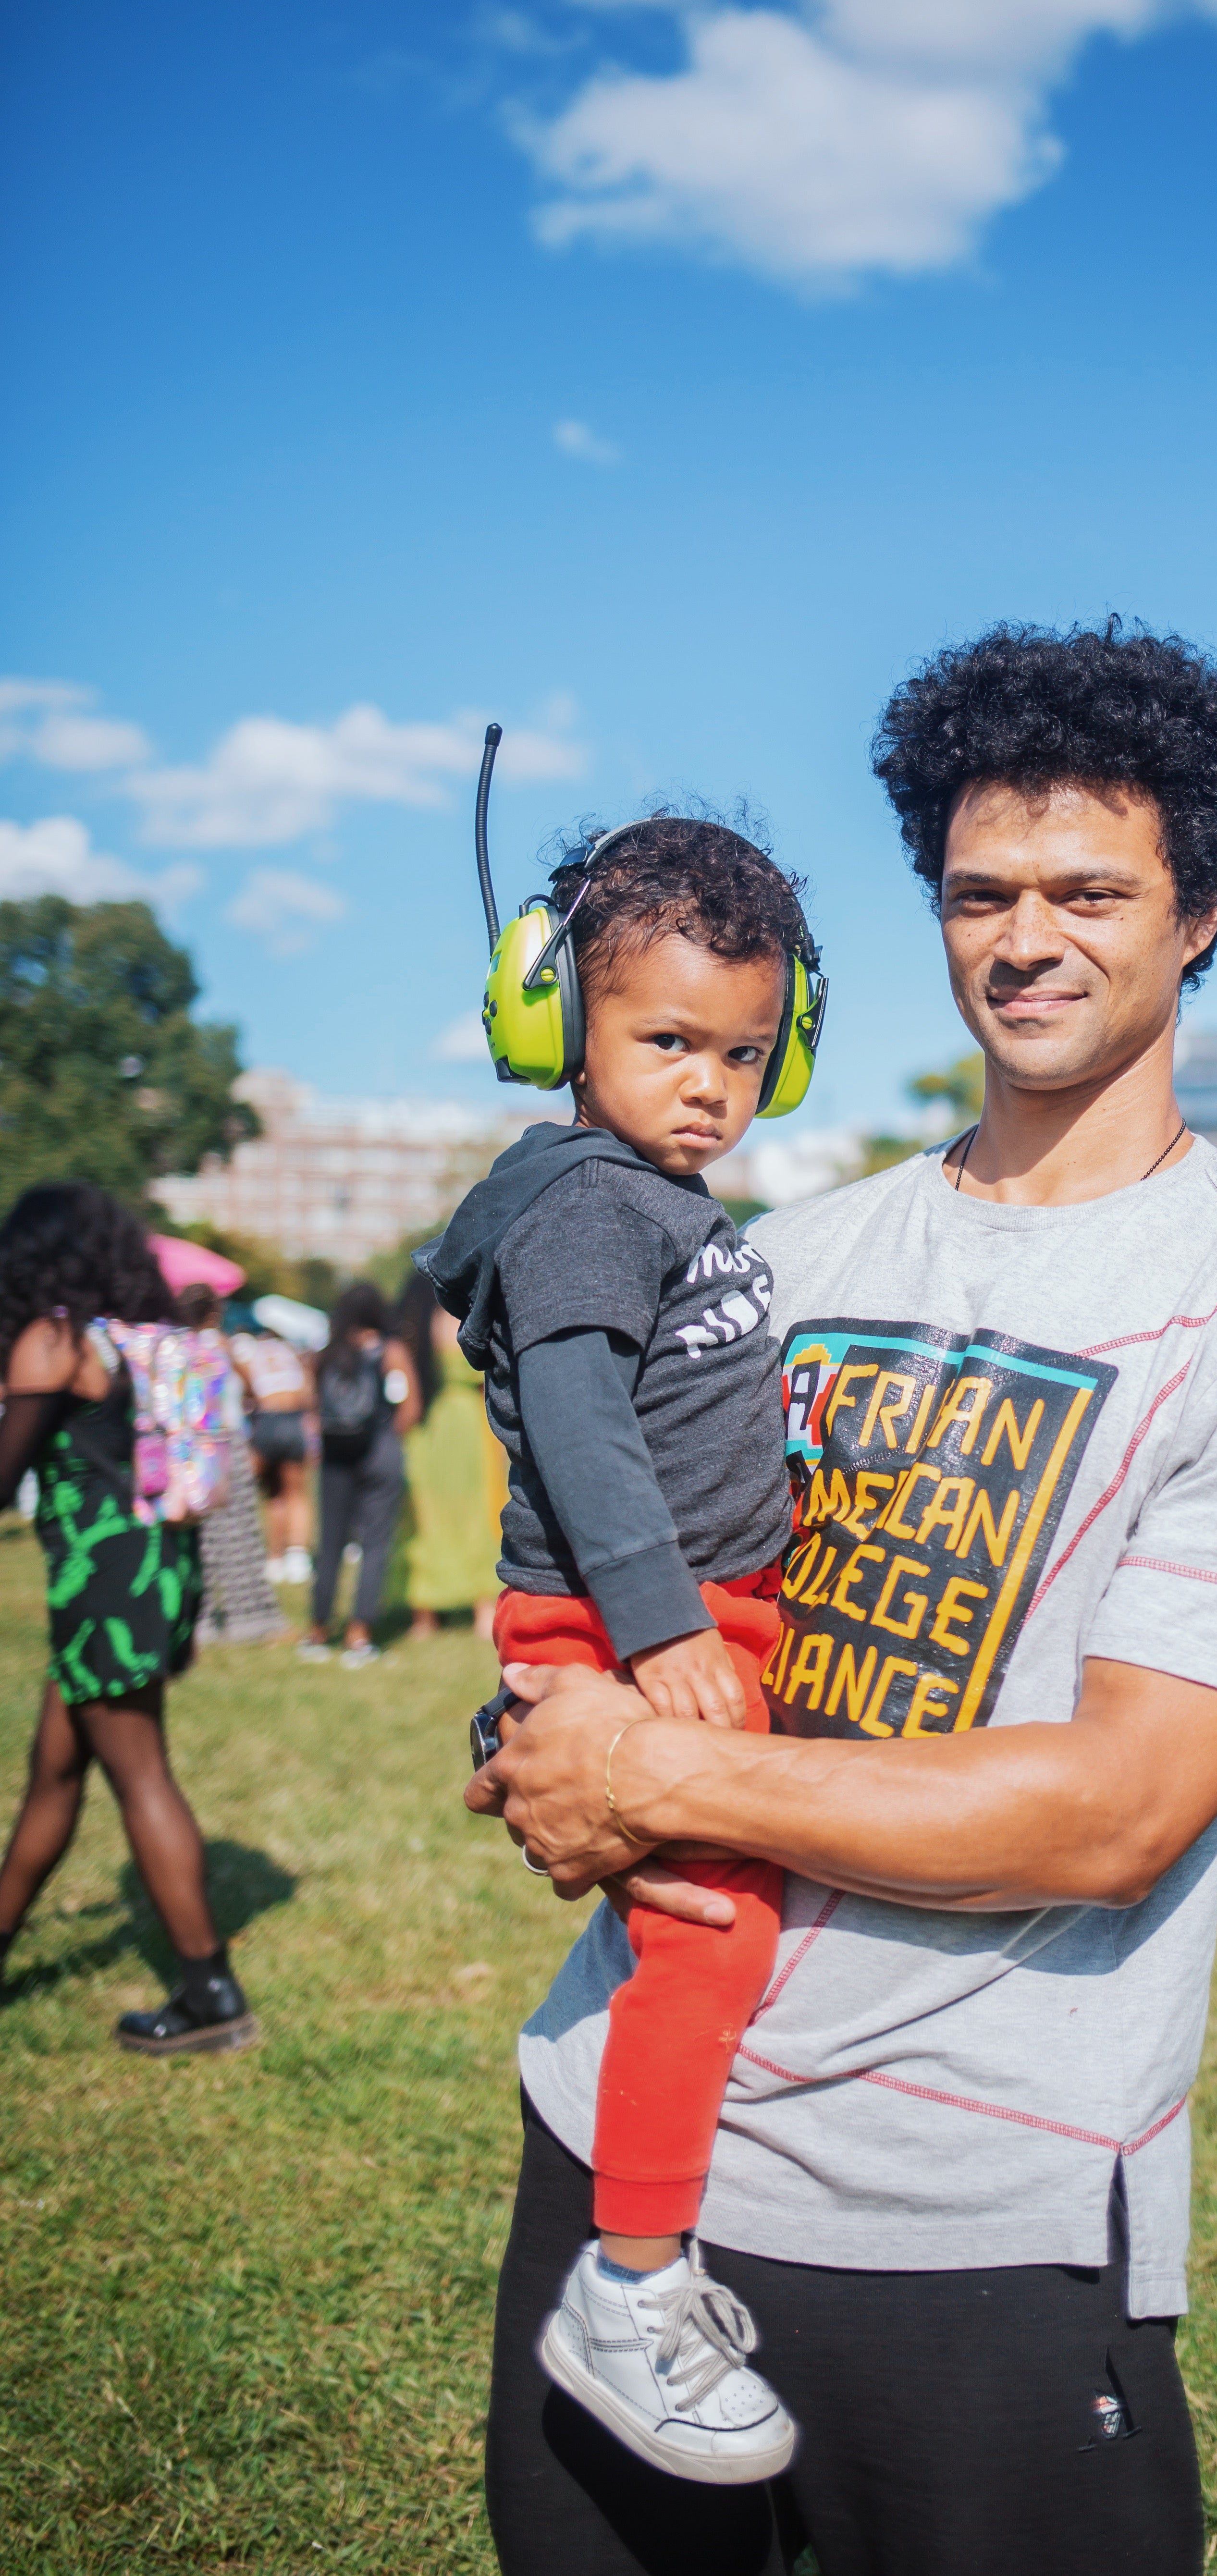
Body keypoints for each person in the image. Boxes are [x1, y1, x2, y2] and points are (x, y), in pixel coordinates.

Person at [466, 621, 1217, 2576]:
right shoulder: (777, 1253)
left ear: (1200, 912)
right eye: (981, 892)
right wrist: (541, 1735)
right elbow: (597, 1558)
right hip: (631, 2152)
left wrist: (657, 1783)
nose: (1024, 937)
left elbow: (1116, 1812)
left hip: (980, 2216)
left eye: (1087, 892)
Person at [421, 820, 813, 2482]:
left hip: (683, 1611)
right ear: (556, 1021)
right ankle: (631, 2273)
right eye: (664, 1040)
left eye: (741, 1047)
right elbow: (576, 1426)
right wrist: (657, 1628)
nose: (708, 1082)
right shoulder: (586, 1202)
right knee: (710, 1937)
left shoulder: (660, 1193)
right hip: (630, 1617)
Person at [0, 1183, 257, 2053]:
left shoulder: (55, 1339)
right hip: (150, 1571)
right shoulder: (137, 1340)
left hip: (102, 1583)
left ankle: (210, 1993)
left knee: (140, 1772)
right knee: (55, 1772)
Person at [299, 1283, 418, 1669]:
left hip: (335, 1456)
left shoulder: (325, 1354)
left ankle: (318, 1631)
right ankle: (359, 1634)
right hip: (378, 1453)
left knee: (330, 1543)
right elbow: (410, 1406)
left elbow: (310, 1406)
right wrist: (388, 1436)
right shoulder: (389, 1350)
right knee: (375, 1546)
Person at [175, 1285, 286, 1647]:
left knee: (199, 1536)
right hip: (225, 1445)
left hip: (189, 1448)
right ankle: (249, 1616)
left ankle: (200, 1617)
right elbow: (250, 1388)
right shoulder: (219, 1345)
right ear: (214, 1312)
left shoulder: (175, 1347)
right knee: (238, 1532)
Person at [394, 1271, 502, 1643]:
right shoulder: (460, 1320)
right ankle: (482, 1611)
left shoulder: (410, 1331)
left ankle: (424, 1617)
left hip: (424, 1430)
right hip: (468, 1427)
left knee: (425, 1518)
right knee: (476, 1514)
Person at [231, 1314, 314, 1582]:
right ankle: (298, 1558)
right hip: (293, 1419)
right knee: (297, 1492)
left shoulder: (250, 1353)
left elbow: (247, 1387)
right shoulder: (290, 1352)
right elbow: (307, 1390)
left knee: (272, 1494)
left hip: (266, 1421)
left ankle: (274, 1559)